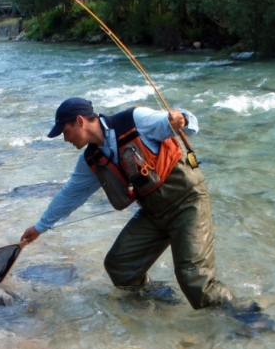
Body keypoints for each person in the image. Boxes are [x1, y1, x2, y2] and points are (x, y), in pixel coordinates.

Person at [20, 97, 234, 309]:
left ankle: (245, 319)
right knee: (120, 265)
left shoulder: (135, 119)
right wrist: (40, 227)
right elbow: (69, 195)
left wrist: (183, 120)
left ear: (80, 121)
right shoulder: (91, 159)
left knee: (193, 278)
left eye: (65, 132)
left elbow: (183, 123)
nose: (65, 139)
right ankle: (158, 303)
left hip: (188, 201)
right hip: (153, 213)